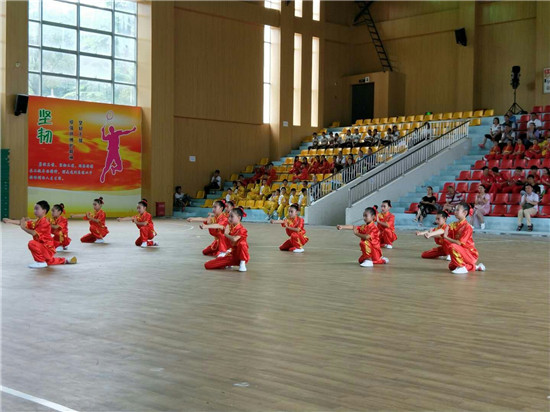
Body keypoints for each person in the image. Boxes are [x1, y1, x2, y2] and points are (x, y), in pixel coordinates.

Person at [3, 200, 77, 268]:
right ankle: (67, 260)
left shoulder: (44, 222)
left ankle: (41, 262)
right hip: (46, 247)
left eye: (37, 209)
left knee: (32, 243)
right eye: (34, 209)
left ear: (44, 211)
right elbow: (25, 223)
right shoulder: (39, 221)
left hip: (48, 246)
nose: (34, 211)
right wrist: (9, 221)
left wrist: (23, 228)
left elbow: (34, 233)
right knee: (49, 261)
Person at [425, 203, 485, 274]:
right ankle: (475, 267)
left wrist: (446, 237)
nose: (455, 212)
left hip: (470, 254)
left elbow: (459, 243)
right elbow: (443, 230)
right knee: (451, 267)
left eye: (457, 210)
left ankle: (462, 267)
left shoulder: (467, 227)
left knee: (452, 246)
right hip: (460, 252)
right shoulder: (453, 224)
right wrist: (431, 234)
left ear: (465, 213)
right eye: (455, 210)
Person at [204, 207, 249, 272]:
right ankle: (227, 261)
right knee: (208, 265)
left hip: (240, 255)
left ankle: (242, 262)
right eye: (229, 216)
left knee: (242, 243)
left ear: (239, 218)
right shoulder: (228, 226)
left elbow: (234, 239)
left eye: (232, 216)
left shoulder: (242, 229)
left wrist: (226, 234)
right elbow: (219, 226)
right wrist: (207, 225)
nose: (229, 218)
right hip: (231, 255)